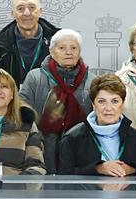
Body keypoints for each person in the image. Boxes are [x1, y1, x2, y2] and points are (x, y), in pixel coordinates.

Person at [18, 29, 96, 174]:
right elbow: (21, 114)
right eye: (62, 48)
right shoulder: (34, 78)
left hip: (80, 150)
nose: (69, 52)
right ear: (52, 51)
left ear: (80, 52)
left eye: (74, 48)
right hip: (41, 148)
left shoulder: (92, 81)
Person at [58, 74, 136, 177]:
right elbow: (63, 177)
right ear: (93, 104)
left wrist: (132, 169)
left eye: (115, 101)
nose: (108, 108)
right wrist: (98, 169)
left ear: (122, 103)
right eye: (101, 101)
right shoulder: (72, 138)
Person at [0, 0, 59, 86]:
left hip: (48, 100)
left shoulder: (58, 43)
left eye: (32, 7)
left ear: (40, 11)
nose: (27, 13)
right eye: (20, 8)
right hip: (12, 100)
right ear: (13, 14)